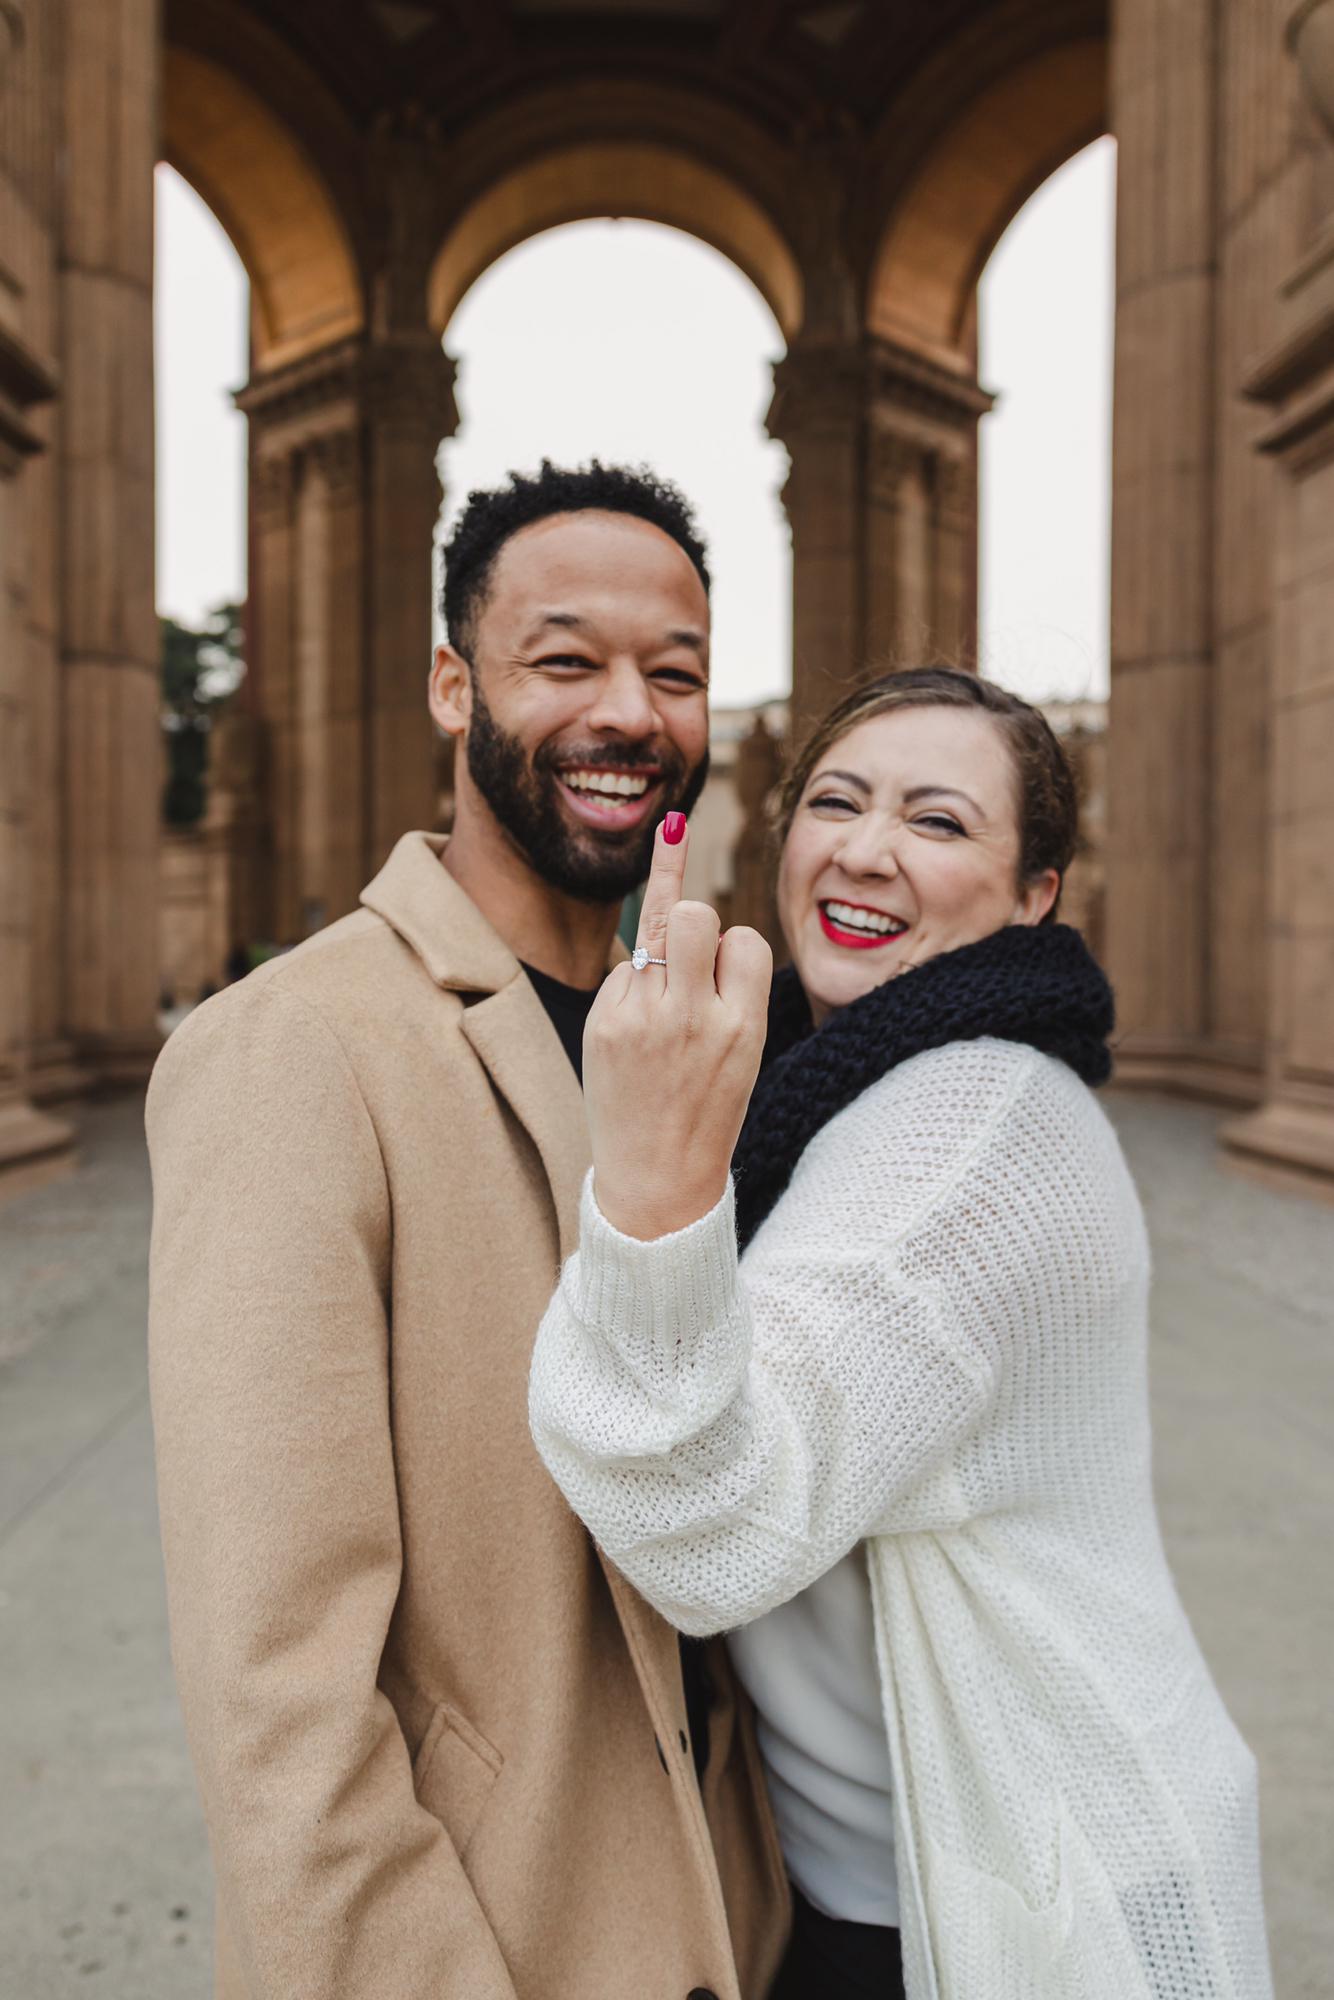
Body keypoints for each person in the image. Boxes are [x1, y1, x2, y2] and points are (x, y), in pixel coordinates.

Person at [530, 666, 1273, 2000]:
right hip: (927, 1866)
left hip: (1009, 1907)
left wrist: (644, 1180)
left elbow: (713, 1528)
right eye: (835, 800)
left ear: (1035, 889)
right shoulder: (844, 1092)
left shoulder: (964, 1125)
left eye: (937, 823)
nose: (865, 849)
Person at [146, 461, 788, 2000]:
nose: (629, 714)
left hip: (742, 1923)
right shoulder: (291, 1050)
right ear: (455, 685)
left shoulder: (705, 1036)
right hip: (496, 1946)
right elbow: (280, 1699)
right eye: (564, 660)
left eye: (675, 671)